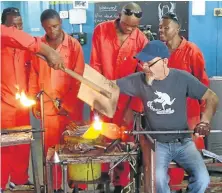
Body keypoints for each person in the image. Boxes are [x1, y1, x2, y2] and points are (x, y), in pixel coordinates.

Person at [116, 40, 219, 193]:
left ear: (164, 61)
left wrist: (204, 122)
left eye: (149, 63)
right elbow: (110, 86)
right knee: (157, 181)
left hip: (183, 142)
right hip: (157, 144)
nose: (145, 67)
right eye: (143, 63)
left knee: (202, 179)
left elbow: (212, 97)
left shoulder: (182, 79)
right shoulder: (140, 80)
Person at [0, 8, 64, 193]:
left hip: (21, 105)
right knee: (4, 146)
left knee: (22, 144)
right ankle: (2, 183)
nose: (17, 29)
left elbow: (33, 73)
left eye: (20, 25)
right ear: (5, 26)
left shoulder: (25, 47)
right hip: (3, 105)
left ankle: (20, 179)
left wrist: (49, 57)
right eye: (13, 26)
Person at [90, 3, 148, 192]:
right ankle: (101, 180)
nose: (129, 29)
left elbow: (142, 79)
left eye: (134, 26)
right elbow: (95, 64)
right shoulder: (101, 30)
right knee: (99, 139)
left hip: (126, 103)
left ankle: (120, 184)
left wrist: (133, 110)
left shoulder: (141, 41)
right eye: (126, 24)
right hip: (102, 96)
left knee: (123, 143)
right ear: (118, 16)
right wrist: (96, 98)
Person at [28, 9, 85, 193]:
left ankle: (77, 185)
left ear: (61, 22)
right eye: (47, 28)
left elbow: (79, 77)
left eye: (54, 26)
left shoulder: (74, 45)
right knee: (51, 150)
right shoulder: (39, 46)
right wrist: (35, 101)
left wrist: (67, 104)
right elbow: (32, 75)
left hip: (71, 107)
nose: (52, 31)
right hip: (47, 107)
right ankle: (55, 186)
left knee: (75, 147)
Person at [159, 12, 210, 192]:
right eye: (160, 27)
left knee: (191, 166)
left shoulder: (192, 51)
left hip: (190, 117)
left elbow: (203, 85)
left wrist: (203, 118)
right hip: (165, 119)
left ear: (177, 29)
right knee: (164, 170)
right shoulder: (159, 51)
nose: (161, 30)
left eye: (166, 27)